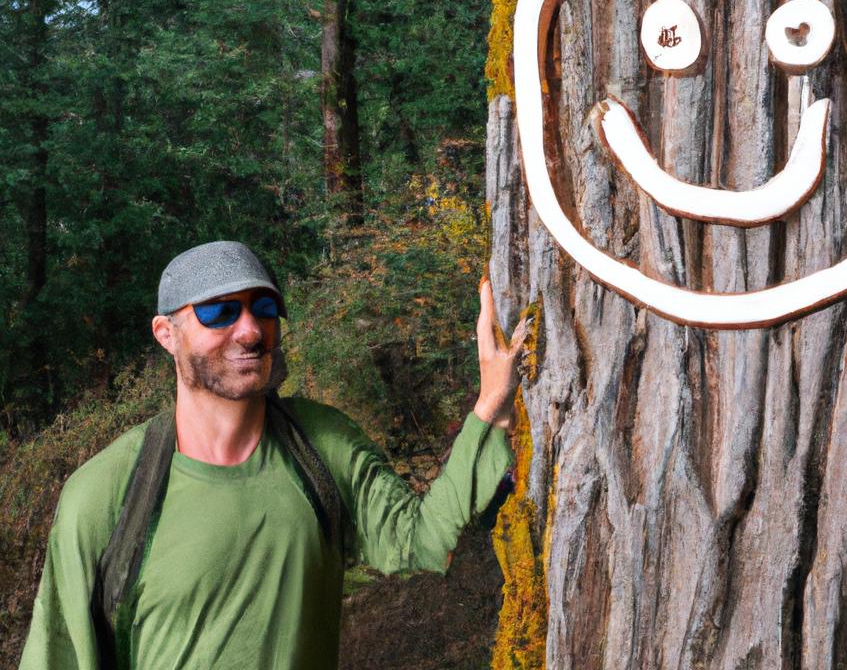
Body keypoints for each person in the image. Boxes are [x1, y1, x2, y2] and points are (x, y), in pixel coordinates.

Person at [19, 240, 527, 670]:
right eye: (219, 310)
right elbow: (58, 654)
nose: (249, 330)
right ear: (166, 334)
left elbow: (423, 542)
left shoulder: (322, 446)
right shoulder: (106, 494)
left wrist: (491, 408)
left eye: (263, 308)